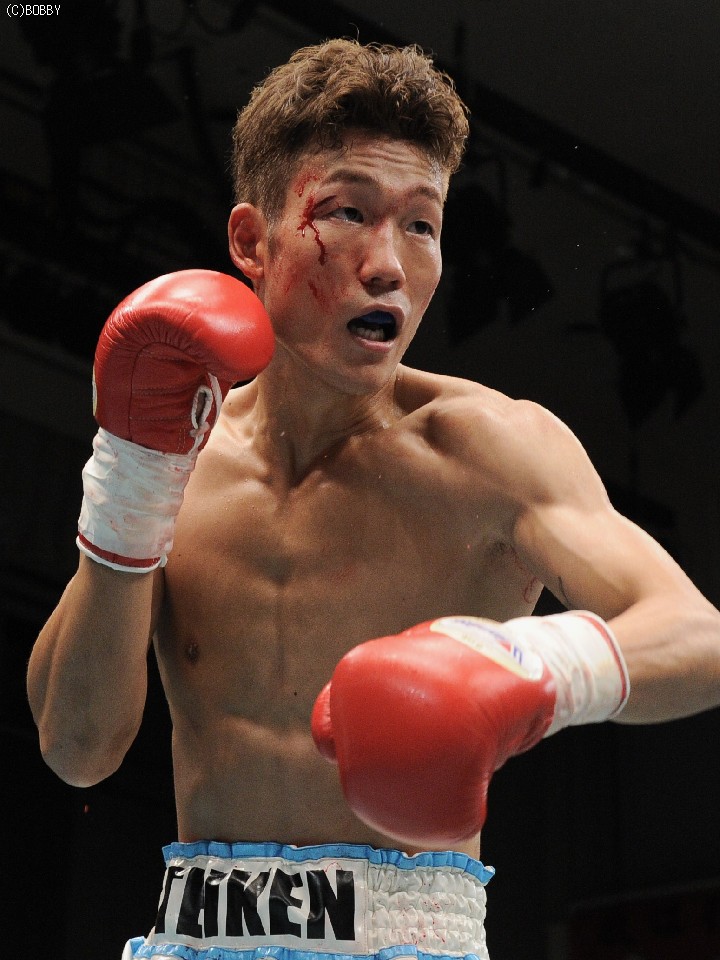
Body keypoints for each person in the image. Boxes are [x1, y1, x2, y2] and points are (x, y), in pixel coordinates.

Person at [27, 38, 720, 960]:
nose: (389, 263)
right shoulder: (174, 463)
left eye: (422, 225)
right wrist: (133, 483)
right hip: (190, 936)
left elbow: (698, 636)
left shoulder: (487, 451)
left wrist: (534, 668)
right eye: (349, 212)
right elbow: (77, 749)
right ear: (251, 241)